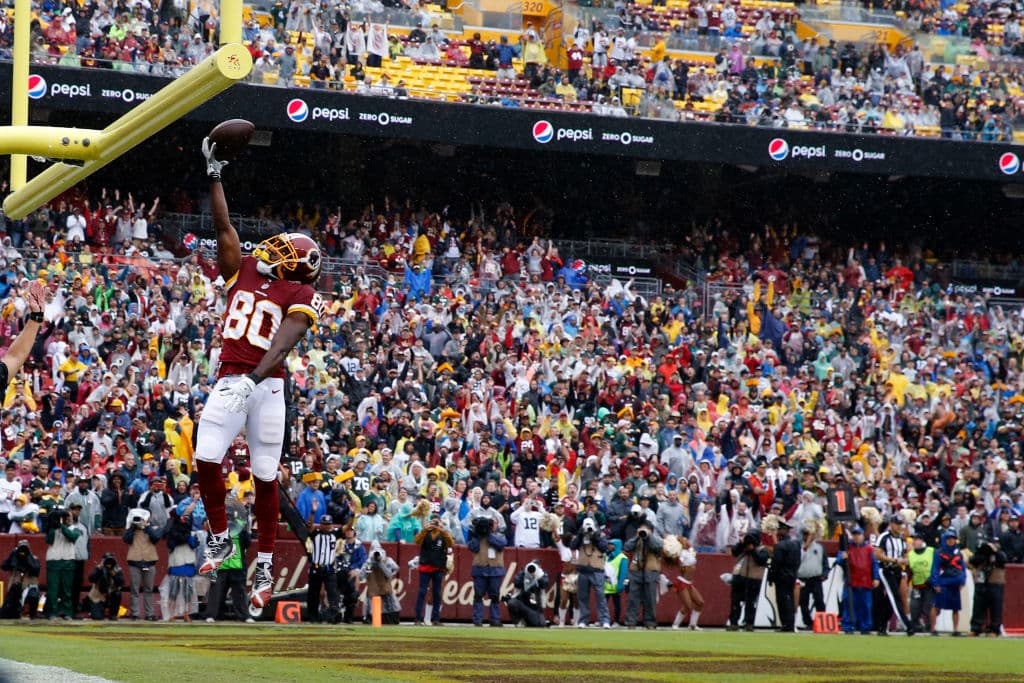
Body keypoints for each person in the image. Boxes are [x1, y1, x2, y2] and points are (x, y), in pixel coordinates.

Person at [194, 136, 326, 614]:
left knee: (266, 476)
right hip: (231, 378)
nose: (276, 247)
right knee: (206, 458)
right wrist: (214, 174)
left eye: (287, 247)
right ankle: (221, 540)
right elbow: (223, 225)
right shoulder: (245, 269)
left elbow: (284, 342)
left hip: (265, 386)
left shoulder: (301, 293)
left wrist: (251, 381)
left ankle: (266, 564)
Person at [205, 497, 251, 623]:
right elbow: (209, 542)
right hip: (221, 564)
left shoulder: (240, 526)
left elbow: (247, 542)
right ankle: (212, 615)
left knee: (239, 592)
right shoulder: (215, 526)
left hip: (236, 563)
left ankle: (244, 616)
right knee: (216, 591)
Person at [413, 513, 454, 626]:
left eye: (437, 522)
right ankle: (417, 618)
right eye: (433, 522)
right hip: (425, 566)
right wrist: (424, 529)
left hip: (438, 567)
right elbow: (416, 541)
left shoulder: (443, 534)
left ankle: (436, 618)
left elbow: (451, 543)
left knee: (437, 593)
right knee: (422, 592)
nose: (435, 524)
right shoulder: (425, 533)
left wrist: (441, 529)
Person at [837, 526, 880, 635]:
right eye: (855, 535)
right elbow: (839, 561)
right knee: (849, 605)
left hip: (865, 581)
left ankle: (865, 627)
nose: (856, 537)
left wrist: (875, 577)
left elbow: (874, 564)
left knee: (865, 606)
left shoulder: (869, 549)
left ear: (862, 536)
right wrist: (842, 558)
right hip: (851, 582)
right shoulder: (847, 548)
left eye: (858, 535)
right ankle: (848, 626)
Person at [571, 516, 611, 628]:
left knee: (600, 596)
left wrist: (594, 537)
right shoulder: (580, 536)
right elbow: (572, 546)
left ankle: (604, 620)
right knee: (582, 597)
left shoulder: (600, 535)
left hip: (597, 569)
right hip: (583, 569)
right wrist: (580, 535)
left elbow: (604, 548)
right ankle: (583, 620)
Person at [123, 507, 162, 621]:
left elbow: (156, 538)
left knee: (148, 589)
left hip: (149, 562)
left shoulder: (153, 527)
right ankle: (135, 613)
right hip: (134, 562)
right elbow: (126, 539)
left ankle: (149, 613)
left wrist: (146, 527)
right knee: (134, 590)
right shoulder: (132, 529)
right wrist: (132, 527)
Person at [874, 515, 911, 635]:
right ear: (891, 524)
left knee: (889, 601)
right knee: (895, 597)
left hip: (897, 570)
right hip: (886, 569)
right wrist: (894, 560)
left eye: (900, 524)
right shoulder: (884, 537)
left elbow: (904, 553)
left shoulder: (901, 539)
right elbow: (877, 555)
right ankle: (908, 625)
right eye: (897, 524)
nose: (899, 526)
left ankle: (881, 626)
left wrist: (905, 559)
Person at [467, 514, 507, 627]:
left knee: (495, 596)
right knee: (478, 595)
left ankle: (495, 620)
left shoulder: (500, 535)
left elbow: (500, 545)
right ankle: (477, 620)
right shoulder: (477, 536)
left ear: (497, 525)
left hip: (495, 570)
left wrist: (488, 534)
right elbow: (472, 547)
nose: (491, 525)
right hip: (480, 568)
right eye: (490, 523)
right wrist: (478, 534)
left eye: (493, 523)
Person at [624, 520, 663, 629]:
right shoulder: (636, 539)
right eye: (641, 529)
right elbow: (627, 547)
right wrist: (637, 537)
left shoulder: (657, 539)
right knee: (633, 599)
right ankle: (631, 622)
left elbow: (658, 548)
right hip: (635, 571)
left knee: (650, 599)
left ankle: (650, 623)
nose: (643, 532)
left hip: (651, 571)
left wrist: (649, 536)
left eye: (646, 529)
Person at [44, 507, 81, 619]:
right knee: (52, 589)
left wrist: (61, 526)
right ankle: (51, 612)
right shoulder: (52, 529)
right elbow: (49, 541)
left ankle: (67, 612)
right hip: (53, 560)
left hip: (68, 560)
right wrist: (53, 526)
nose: (68, 518)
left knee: (66, 589)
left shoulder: (75, 528)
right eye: (66, 516)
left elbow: (72, 537)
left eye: (69, 516)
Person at [727, 531, 768, 631]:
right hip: (739, 576)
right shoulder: (742, 547)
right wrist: (742, 544)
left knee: (751, 603)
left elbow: (761, 560)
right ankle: (734, 623)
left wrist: (753, 550)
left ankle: (749, 623)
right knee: (735, 602)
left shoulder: (763, 550)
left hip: (754, 579)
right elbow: (734, 552)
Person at [306, 514, 342, 623]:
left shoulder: (334, 534)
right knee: (313, 594)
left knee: (333, 594)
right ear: (320, 524)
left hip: (329, 568)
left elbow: (348, 527)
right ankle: (313, 617)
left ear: (331, 525)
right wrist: (312, 512)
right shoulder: (315, 534)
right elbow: (310, 525)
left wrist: (352, 514)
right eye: (324, 524)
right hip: (316, 567)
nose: (326, 526)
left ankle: (331, 615)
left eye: (328, 524)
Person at [930, 530, 966, 636]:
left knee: (956, 607)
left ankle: (955, 629)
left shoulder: (958, 552)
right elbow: (935, 568)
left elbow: (962, 568)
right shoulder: (939, 552)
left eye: (953, 539)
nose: (951, 541)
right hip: (943, 581)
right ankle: (932, 628)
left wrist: (962, 581)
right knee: (937, 606)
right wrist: (935, 583)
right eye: (949, 539)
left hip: (955, 582)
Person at [968, 541, 1006, 637]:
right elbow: (972, 560)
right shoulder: (981, 555)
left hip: (995, 584)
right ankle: (976, 628)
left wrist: (995, 551)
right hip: (981, 583)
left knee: (996, 608)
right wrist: (981, 552)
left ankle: (994, 629)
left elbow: (1004, 560)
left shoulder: (999, 555)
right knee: (978, 607)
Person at [768, 519, 800, 632]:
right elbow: (798, 561)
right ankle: (790, 623)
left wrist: (771, 577)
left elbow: (776, 563)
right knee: (790, 600)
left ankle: (786, 624)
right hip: (792, 576)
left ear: (783, 530)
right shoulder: (796, 544)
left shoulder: (780, 546)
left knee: (782, 601)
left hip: (781, 577)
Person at [359, 540, 400, 624]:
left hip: (386, 592)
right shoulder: (369, 562)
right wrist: (367, 565)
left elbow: (389, 574)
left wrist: (381, 564)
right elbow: (361, 577)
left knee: (392, 619)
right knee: (373, 618)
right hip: (373, 593)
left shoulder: (388, 560)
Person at [668, 536, 704, 631]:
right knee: (687, 605)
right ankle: (675, 625)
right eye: (684, 540)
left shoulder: (689, 551)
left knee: (700, 602)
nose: (686, 541)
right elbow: (679, 563)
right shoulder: (682, 553)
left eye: (686, 539)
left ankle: (692, 625)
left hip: (689, 582)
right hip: (682, 581)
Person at [797, 525, 829, 628]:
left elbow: (825, 562)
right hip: (803, 578)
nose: (809, 536)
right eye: (806, 534)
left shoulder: (819, 547)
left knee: (819, 600)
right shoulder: (799, 547)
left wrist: (825, 574)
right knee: (803, 602)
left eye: (810, 534)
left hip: (816, 578)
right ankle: (808, 622)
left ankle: (822, 622)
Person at [1, 540, 41, 618]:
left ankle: (33, 615)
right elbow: (4, 566)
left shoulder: (33, 558)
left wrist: (29, 558)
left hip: (29, 585)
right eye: (21, 549)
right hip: (16, 586)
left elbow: (36, 571)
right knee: (12, 597)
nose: (22, 552)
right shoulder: (14, 557)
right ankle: (14, 614)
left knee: (34, 595)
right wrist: (12, 556)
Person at [906, 531, 935, 635]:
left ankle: (930, 626)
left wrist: (935, 579)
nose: (915, 541)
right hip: (917, 584)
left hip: (929, 584)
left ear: (922, 541)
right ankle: (915, 625)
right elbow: (909, 570)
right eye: (914, 539)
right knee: (914, 606)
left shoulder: (930, 551)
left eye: (917, 539)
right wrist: (907, 583)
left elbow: (936, 565)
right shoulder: (910, 554)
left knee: (929, 606)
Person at [505, 560, 549, 627]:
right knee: (512, 602)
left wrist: (538, 576)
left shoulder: (542, 574)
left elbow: (544, 584)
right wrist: (524, 573)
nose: (532, 570)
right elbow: (517, 583)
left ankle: (528, 622)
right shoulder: (523, 573)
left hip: (535, 609)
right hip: (523, 605)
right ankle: (518, 622)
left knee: (541, 624)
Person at [85, 552, 125, 620]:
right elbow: (91, 579)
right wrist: (98, 570)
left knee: (117, 593)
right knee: (97, 617)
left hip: (111, 595)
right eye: (106, 560)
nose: (108, 564)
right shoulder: (99, 568)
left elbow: (121, 583)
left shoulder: (117, 569)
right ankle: (99, 610)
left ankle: (113, 614)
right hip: (99, 597)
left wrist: (114, 575)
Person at [604, 538, 628, 626]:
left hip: (616, 585)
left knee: (617, 604)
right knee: (603, 604)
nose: (609, 546)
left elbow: (623, 573)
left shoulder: (623, 558)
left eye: (611, 544)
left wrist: (621, 585)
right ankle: (603, 620)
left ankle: (616, 620)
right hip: (606, 585)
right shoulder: (606, 556)